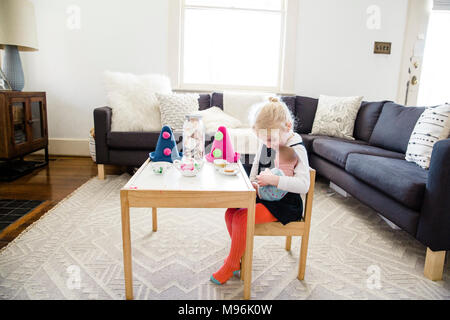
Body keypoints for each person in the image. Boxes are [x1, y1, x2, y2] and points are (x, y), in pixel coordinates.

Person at [210, 97, 310, 285]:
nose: (268, 145)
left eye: (270, 140)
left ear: (288, 127)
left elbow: (304, 185)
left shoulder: (296, 148)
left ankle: (232, 264)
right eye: (264, 140)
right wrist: (252, 185)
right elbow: (256, 170)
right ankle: (240, 256)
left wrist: (274, 179)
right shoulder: (271, 142)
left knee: (241, 218)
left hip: (285, 205)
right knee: (230, 212)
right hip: (266, 195)